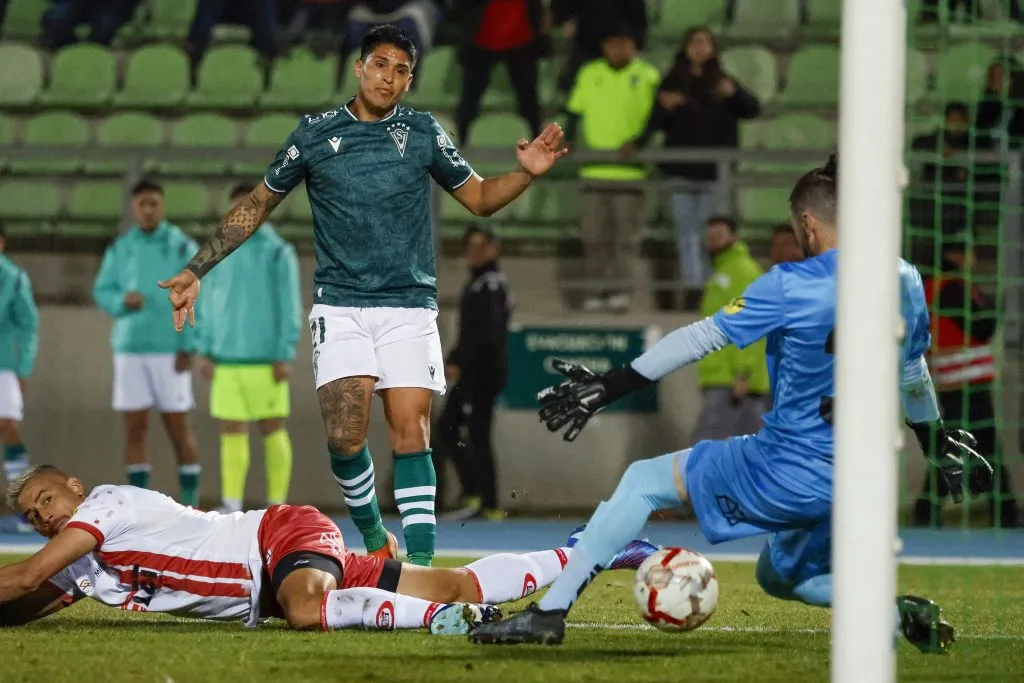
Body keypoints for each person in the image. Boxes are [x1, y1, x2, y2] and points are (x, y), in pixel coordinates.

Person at [469, 154, 993, 651]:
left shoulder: (791, 283)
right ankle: (895, 618)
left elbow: (701, 337)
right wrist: (934, 440)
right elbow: (913, 373)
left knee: (643, 482)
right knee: (782, 578)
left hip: (792, 464)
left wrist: (612, 384)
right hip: (860, 479)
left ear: (808, 224)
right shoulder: (904, 277)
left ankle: (549, 613)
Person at [159, 25, 567, 567]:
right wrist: (197, 268)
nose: (389, 77)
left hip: (409, 305)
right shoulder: (313, 135)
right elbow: (257, 204)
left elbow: (481, 198)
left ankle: (419, 568)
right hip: (341, 305)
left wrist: (524, 173)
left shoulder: (423, 131)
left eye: (402, 70)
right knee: (346, 437)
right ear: (359, 67)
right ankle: (376, 539)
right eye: (380, 64)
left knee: (411, 431)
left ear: (409, 79)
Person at [0, 465, 654, 632]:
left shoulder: (105, 506)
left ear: (75, 487)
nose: (43, 516)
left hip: (275, 539)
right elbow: (21, 599)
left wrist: (27, 578)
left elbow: (24, 577)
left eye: (47, 500)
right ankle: (588, 548)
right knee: (452, 581)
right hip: (277, 572)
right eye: (33, 515)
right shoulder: (85, 566)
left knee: (309, 609)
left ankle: (449, 626)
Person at [626, 26, 760, 312]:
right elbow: (655, 121)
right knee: (686, 232)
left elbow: (752, 109)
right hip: (681, 171)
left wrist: (733, 93)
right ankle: (693, 287)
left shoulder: (722, 82)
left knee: (712, 233)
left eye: (704, 42)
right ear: (685, 48)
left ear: (712, 48)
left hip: (714, 171)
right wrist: (643, 136)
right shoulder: (673, 82)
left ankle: (715, 285)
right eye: (694, 42)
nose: (699, 48)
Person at [93, 181, 203, 507]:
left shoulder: (181, 246)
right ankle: (139, 506)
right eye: (143, 204)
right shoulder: (120, 248)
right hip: (130, 349)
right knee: (135, 428)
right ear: (133, 208)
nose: (149, 209)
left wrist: (190, 344)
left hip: (171, 348)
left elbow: (200, 296)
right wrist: (121, 300)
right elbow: (102, 291)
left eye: (154, 203)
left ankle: (191, 504)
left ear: (163, 206)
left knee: (178, 427)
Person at [195, 184, 303, 514]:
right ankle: (231, 503)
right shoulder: (217, 250)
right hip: (226, 358)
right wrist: (204, 347)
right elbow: (206, 303)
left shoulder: (277, 251)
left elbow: (290, 304)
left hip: (265, 359)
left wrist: (285, 351)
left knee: (272, 428)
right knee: (231, 431)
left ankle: (277, 504)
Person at [912, 235, 1020, 527]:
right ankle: (1005, 510)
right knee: (974, 444)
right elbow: (981, 327)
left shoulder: (939, 287)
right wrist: (998, 304)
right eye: (968, 250)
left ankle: (1002, 509)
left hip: (955, 379)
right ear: (953, 255)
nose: (973, 256)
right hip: (963, 380)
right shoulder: (951, 288)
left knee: (966, 444)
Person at [564, 26, 660, 313]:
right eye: (612, 43)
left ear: (634, 46)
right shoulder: (589, 72)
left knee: (624, 240)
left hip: (630, 172)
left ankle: (620, 291)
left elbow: (658, 117)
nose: (618, 49)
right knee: (593, 237)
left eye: (624, 43)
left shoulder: (648, 76)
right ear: (604, 46)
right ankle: (595, 291)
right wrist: (567, 135)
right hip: (592, 171)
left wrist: (640, 143)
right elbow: (574, 111)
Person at [435, 227, 512, 521]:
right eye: (471, 246)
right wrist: (455, 359)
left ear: (494, 249)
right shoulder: (479, 282)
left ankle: (486, 501)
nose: (474, 252)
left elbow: (486, 335)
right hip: (473, 371)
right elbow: (471, 334)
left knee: (476, 434)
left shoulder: (491, 285)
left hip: (482, 373)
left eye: (481, 246)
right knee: (449, 427)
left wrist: (460, 361)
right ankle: (475, 493)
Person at [692, 216, 768, 442]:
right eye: (710, 237)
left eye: (719, 236)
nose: (713, 242)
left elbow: (748, 322)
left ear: (734, 238)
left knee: (707, 444)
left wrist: (743, 372)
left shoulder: (741, 272)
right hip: (721, 374)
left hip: (730, 379)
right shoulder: (722, 273)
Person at [454, 0, 544, 145]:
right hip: (482, 38)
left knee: (528, 100)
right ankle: (461, 144)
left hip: (521, 39)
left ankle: (536, 145)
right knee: (470, 99)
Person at [0, 223, 38, 533]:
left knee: (9, 427)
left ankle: (24, 506)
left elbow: (28, 326)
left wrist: (23, 367)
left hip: (3, 364)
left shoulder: (13, 278)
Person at [40, 0, 142, 49]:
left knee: (105, 27)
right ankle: (70, 49)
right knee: (54, 19)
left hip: (112, 5)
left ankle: (94, 52)